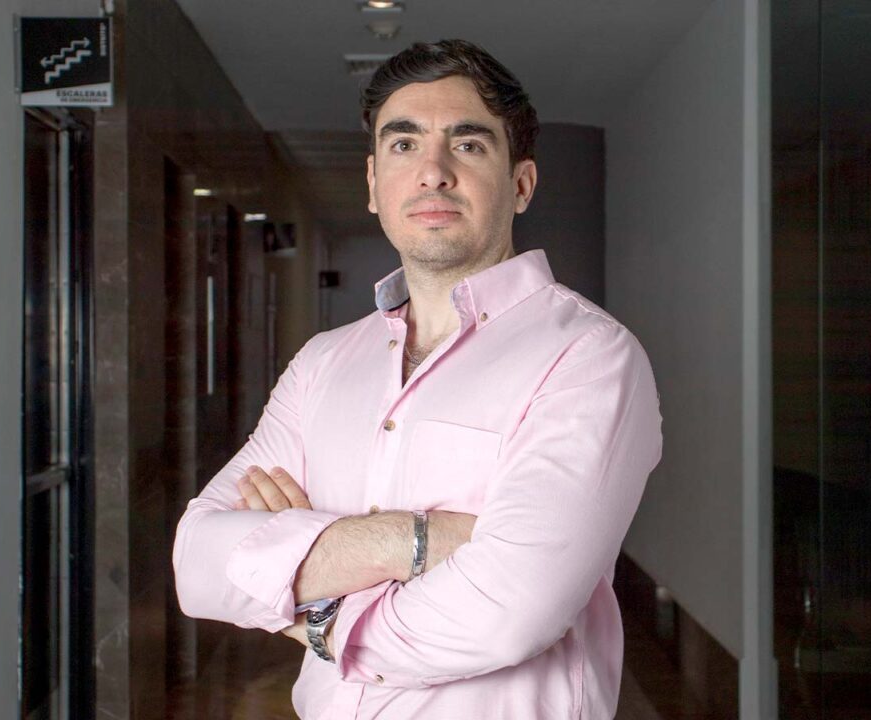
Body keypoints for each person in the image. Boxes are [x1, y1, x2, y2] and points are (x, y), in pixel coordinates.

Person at [172, 38, 663, 720]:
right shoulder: (322, 362)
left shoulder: (588, 356)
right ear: (374, 184)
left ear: (521, 184)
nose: (433, 172)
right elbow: (198, 565)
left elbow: (508, 612)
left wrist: (309, 610)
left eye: (468, 144)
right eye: (404, 145)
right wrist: (416, 540)